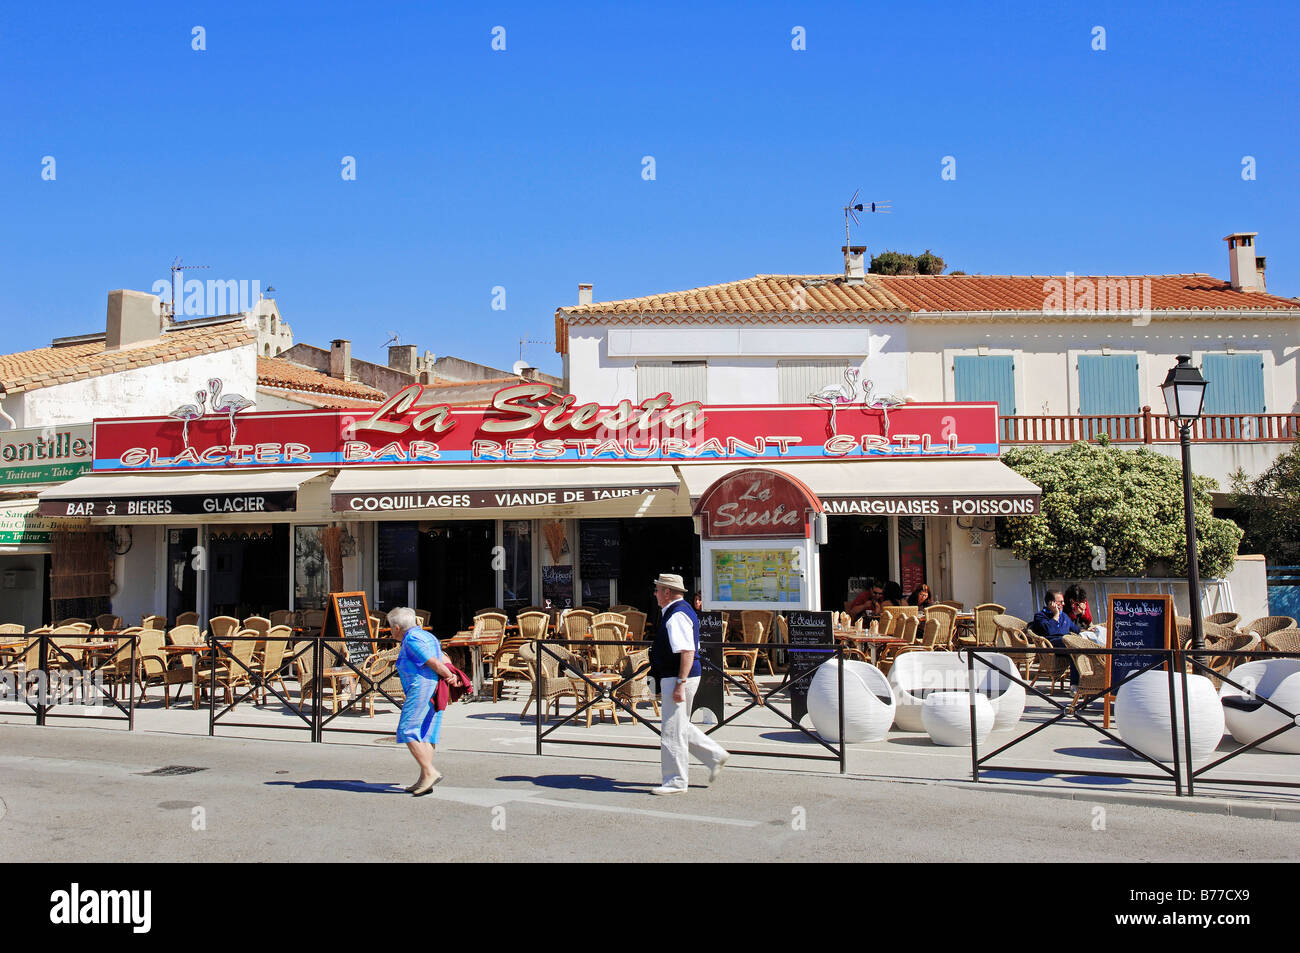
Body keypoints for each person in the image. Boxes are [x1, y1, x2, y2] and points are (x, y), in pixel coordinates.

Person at [648, 573, 728, 795]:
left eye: (657, 590)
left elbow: (687, 651)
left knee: (672, 731)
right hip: (677, 676)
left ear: (666, 592)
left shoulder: (677, 615)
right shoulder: (678, 611)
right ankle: (715, 756)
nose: (655, 594)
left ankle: (675, 781)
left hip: (678, 676)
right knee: (679, 724)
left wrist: (680, 683)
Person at [390, 606, 460, 796]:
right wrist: (449, 674)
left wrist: (449, 676)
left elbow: (434, 662)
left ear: (397, 628)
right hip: (433, 687)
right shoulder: (427, 636)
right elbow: (444, 657)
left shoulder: (411, 639)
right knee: (427, 732)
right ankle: (424, 779)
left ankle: (430, 771)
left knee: (407, 729)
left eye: (390, 627)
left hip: (421, 687)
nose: (390, 631)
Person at [1028, 589, 1083, 684]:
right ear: (1051, 603)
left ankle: (1087, 683)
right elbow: (1049, 630)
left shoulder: (1064, 616)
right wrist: (1056, 614)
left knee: (1083, 649)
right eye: (1060, 602)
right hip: (1051, 645)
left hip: (1067, 644)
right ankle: (1075, 685)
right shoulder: (1040, 616)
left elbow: (1076, 630)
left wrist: (1088, 630)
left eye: (1063, 601)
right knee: (1074, 647)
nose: (1063, 604)